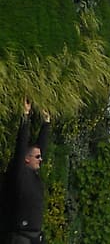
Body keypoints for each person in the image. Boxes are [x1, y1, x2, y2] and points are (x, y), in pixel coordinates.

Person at [5, 100, 51, 244]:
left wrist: (46, 123)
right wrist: (25, 116)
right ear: (26, 159)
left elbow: (40, 147)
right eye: (37, 157)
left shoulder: (34, 175)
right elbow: (21, 145)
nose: (40, 159)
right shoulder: (20, 174)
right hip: (21, 237)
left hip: (36, 236)